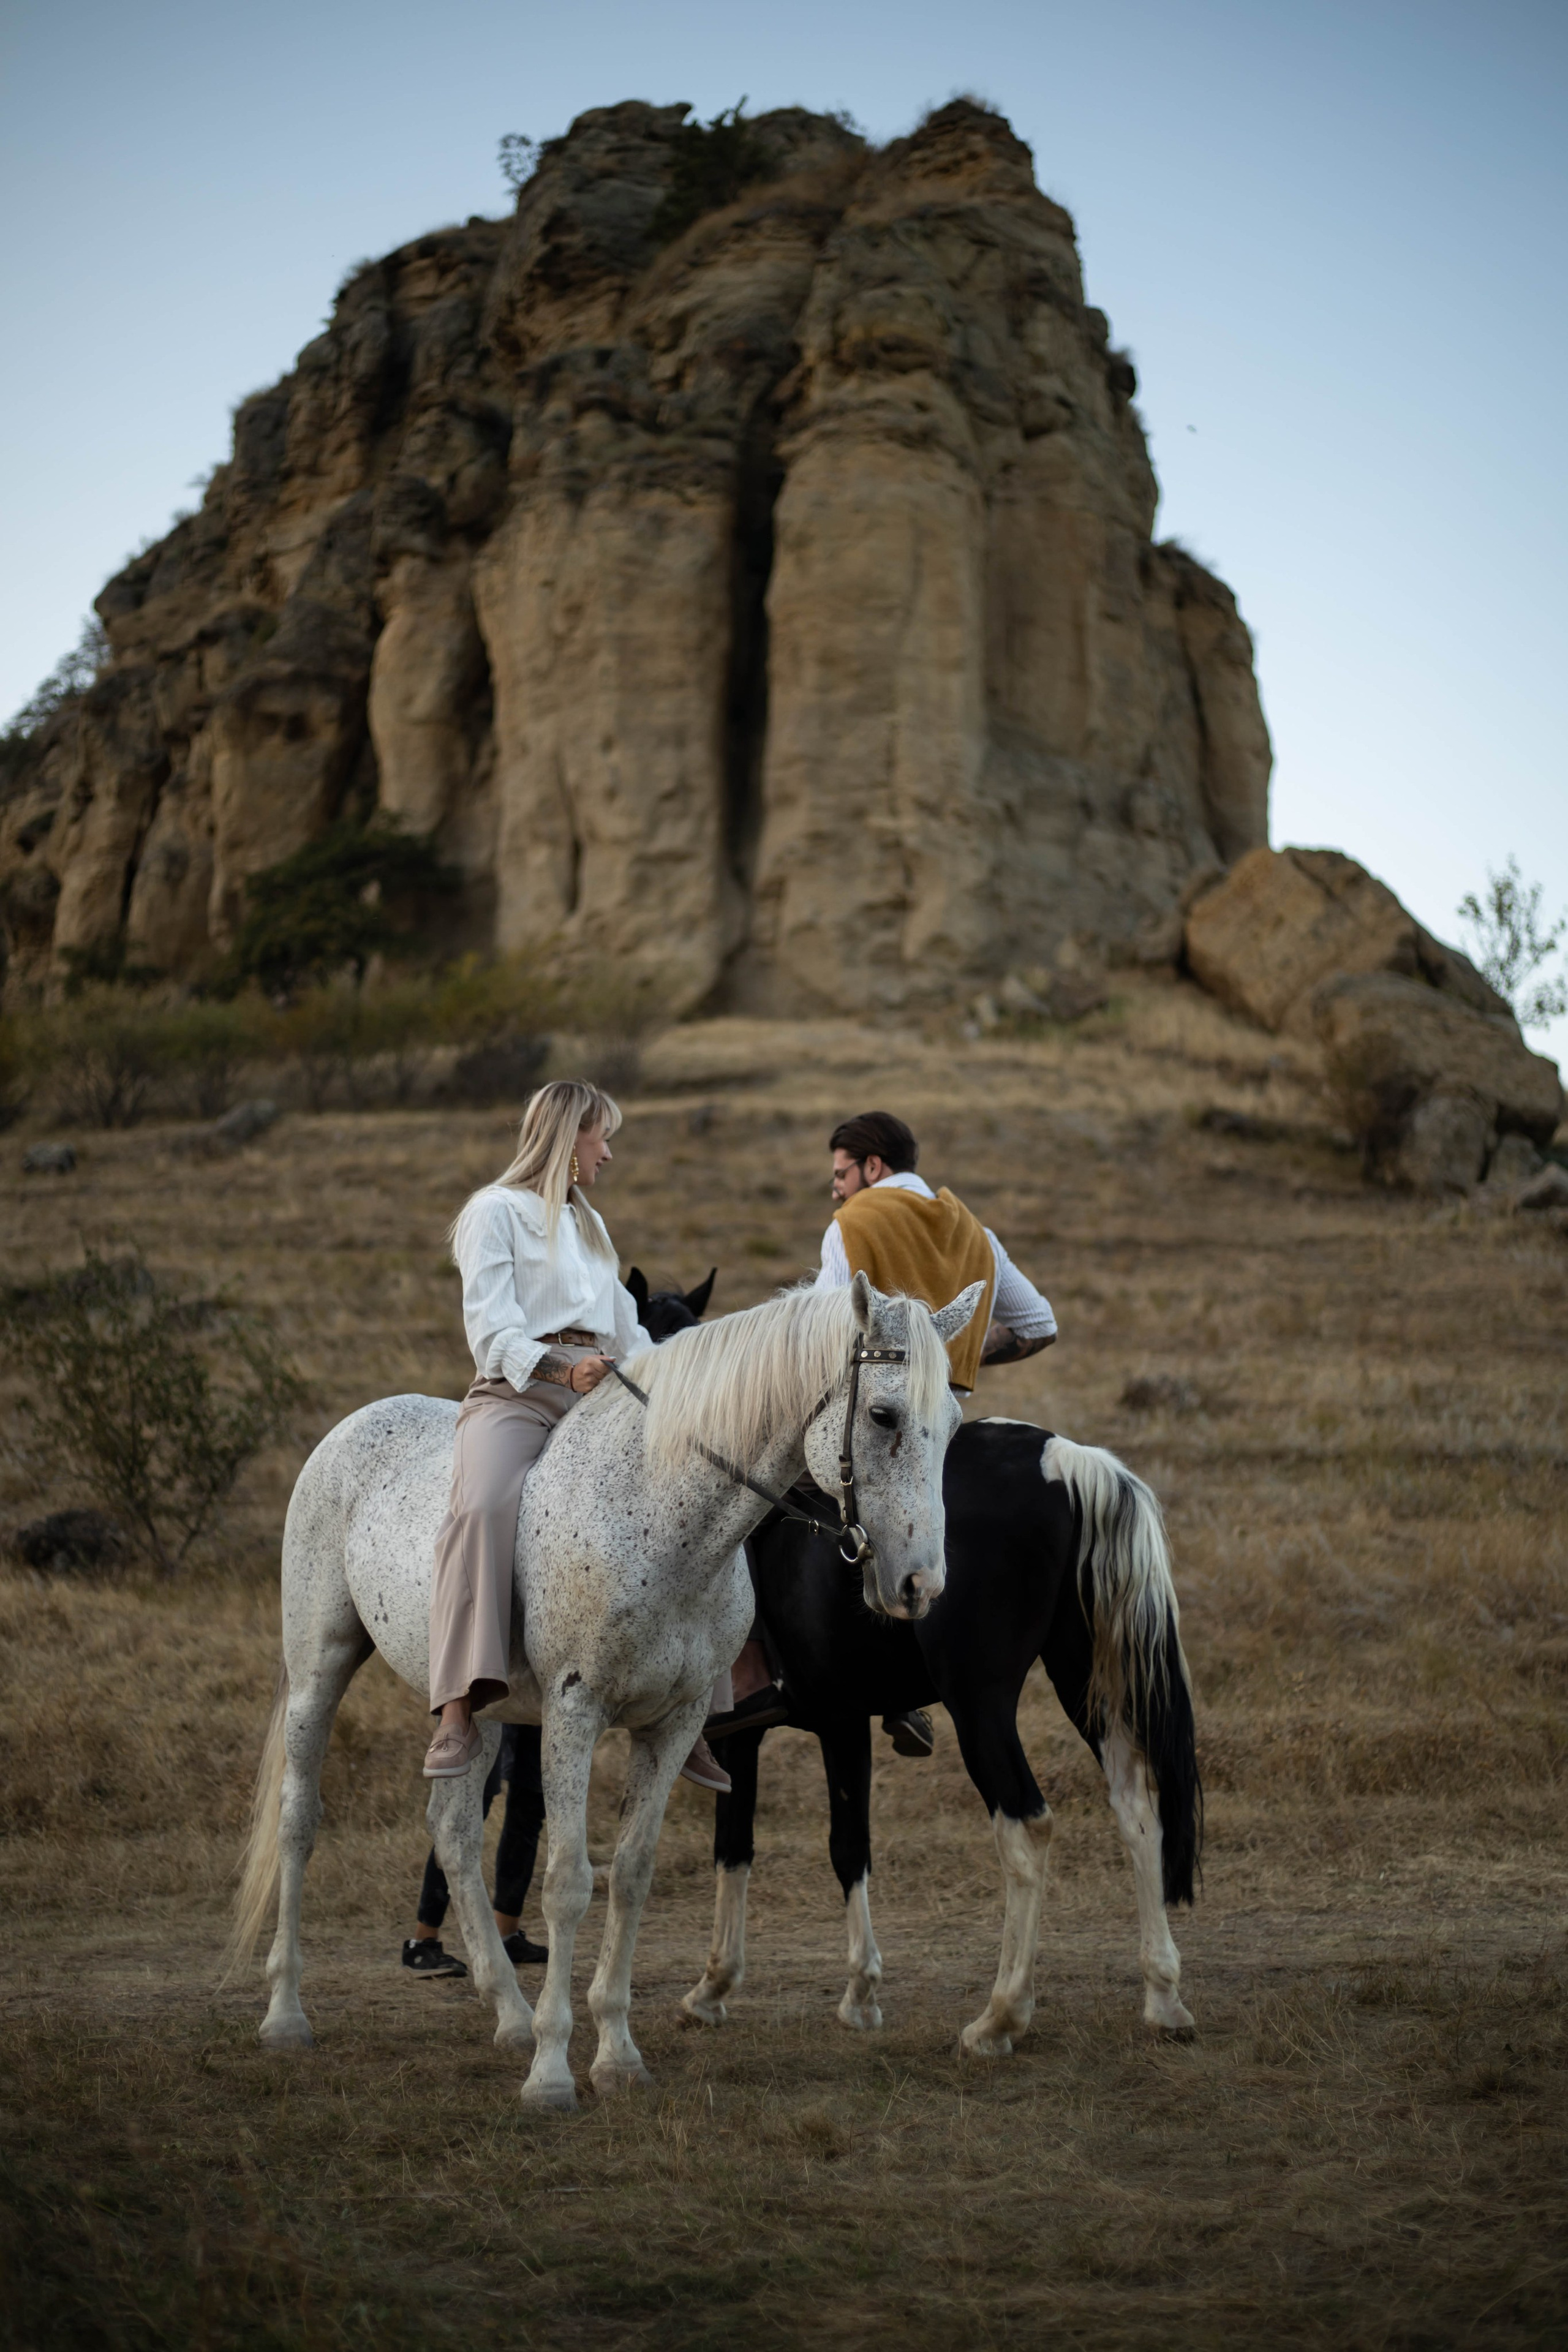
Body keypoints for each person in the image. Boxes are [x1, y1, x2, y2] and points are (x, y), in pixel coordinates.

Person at [708, 1109, 1058, 1759]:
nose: (835, 1189)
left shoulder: (854, 1225)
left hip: (872, 1423)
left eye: (841, 1174)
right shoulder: (971, 1230)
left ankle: (750, 1668)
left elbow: (827, 1338)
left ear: (873, 1166)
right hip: (940, 1431)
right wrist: (949, 1366)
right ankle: (899, 1692)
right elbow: (1039, 1326)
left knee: (750, 1495)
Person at [423, 1077, 731, 1795]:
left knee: (700, 1495)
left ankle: (695, 1711)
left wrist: (683, 1383)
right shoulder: (492, 1213)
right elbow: (491, 1334)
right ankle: (458, 1707)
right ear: (568, 1141)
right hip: (519, 1395)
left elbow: (628, 1331)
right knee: (484, 1505)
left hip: (604, 1393)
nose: (610, 1155)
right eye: (603, 1138)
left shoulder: (592, 1226)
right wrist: (563, 1369)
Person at [402, 1724, 549, 1975]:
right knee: (467, 1811)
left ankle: (507, 1935)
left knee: (531, 1803)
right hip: (486, 1694)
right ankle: (422, 1943)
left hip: (539, 1698)